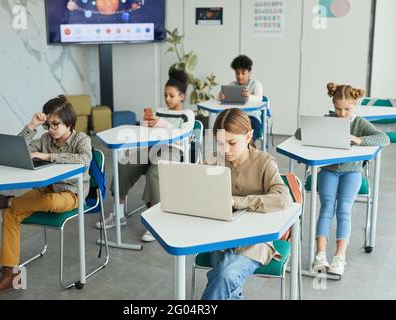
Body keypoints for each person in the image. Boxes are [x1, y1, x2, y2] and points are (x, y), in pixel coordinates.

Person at [0, 95, 92, 297]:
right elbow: (16, 147)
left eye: (56, 124)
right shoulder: (46, 138)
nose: (51, 129)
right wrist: (32, 125)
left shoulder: (82, 139)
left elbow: (84, 159)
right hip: (46, 190)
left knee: (49, 202)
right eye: (48, 125)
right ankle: (10, 273)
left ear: (69, 123)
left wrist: (48, 156)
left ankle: (2, 201)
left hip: (71, 194)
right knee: (11, 214)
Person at [201, 108, 292, 300]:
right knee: (226, 278)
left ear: (249, 136)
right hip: (220, 237)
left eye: (232, 143)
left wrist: (238, 201)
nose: (225, 150)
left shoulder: (264, 162)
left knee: (225, 275)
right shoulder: (214, 160)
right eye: (220, 143)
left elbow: (282, 198)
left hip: (256, 239)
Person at [96, 67, 195, 242]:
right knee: (124, 165)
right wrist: (147, 123)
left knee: (154, 174)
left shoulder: (187, 115)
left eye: (171, 95)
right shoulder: (159, 110)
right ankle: (118, 214)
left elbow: (183, 135)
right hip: (151, 147)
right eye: (165, 95)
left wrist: (162, 123)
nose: (167, 99)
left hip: (172, 150)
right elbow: (146, 132)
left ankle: (155, 223)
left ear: (182, 96)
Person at [307, 83, 390, 275]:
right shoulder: (328, 120)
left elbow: (383, 138)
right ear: (333, 105)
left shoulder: (359, 123)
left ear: (355, 105)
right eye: (338, 109)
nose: (342, 113)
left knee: (344, 209)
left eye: (347, 109)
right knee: (327, 207)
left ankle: (339, 257)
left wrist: (360, 140)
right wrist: (314, 133)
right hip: (328, 171)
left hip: (352, 172)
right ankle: (320, 255)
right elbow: (300, 133)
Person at [218, 55, 264, 122]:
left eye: (243, 73)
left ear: (249, 73)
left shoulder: (255, 84)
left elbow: (260, 99)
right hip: (236, 117)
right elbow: (221, 97)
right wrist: (220, 96)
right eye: (237, 73)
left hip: (252, 116)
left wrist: (249, 97)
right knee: (222, 122)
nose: (240, 76)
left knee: (254, 125)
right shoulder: (232, 85)